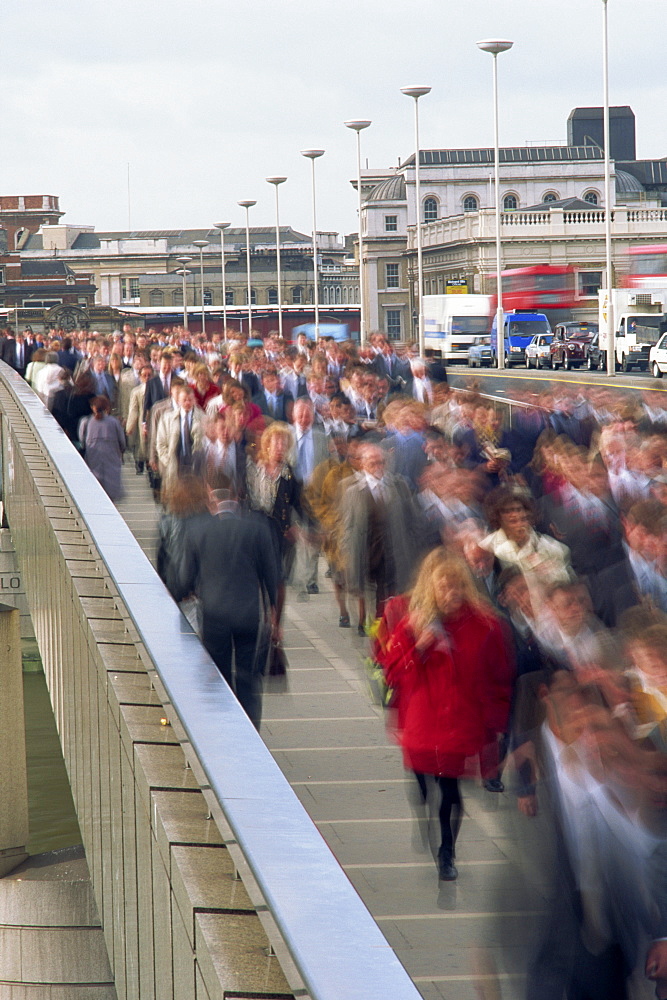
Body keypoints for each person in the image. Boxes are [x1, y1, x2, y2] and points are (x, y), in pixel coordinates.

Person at [380, 550, 513, 881]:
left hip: (460, 721)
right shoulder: (413, 624)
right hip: (423, 720)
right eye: (445, 587)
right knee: (424, 783)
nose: (452, 594)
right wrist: (419, 648)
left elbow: (500, 675)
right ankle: (428, 821)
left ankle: (447, 852)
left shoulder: (485, 626)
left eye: (458, 586)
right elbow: (392, 673)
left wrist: (496, 723)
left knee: (450, 789)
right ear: (432, 589)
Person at [178, 479, 278, 729]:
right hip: (248, 616)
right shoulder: (257, 529)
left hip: (214, 616)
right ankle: (251, 729)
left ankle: (223, 727)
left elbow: (183, 580)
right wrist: (274, 615)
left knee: (218, 676)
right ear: (236, 501)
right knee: (248, 678)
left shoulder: (198, 530)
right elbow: (272, 578)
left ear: (213, 503)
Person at [79, 396, 126, 501]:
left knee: (95, 494)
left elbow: (82, 442)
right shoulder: (114, 423)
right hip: (112, 463)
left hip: (93, 462)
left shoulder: (86, 423)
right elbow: (122, 442)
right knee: (111, 496)